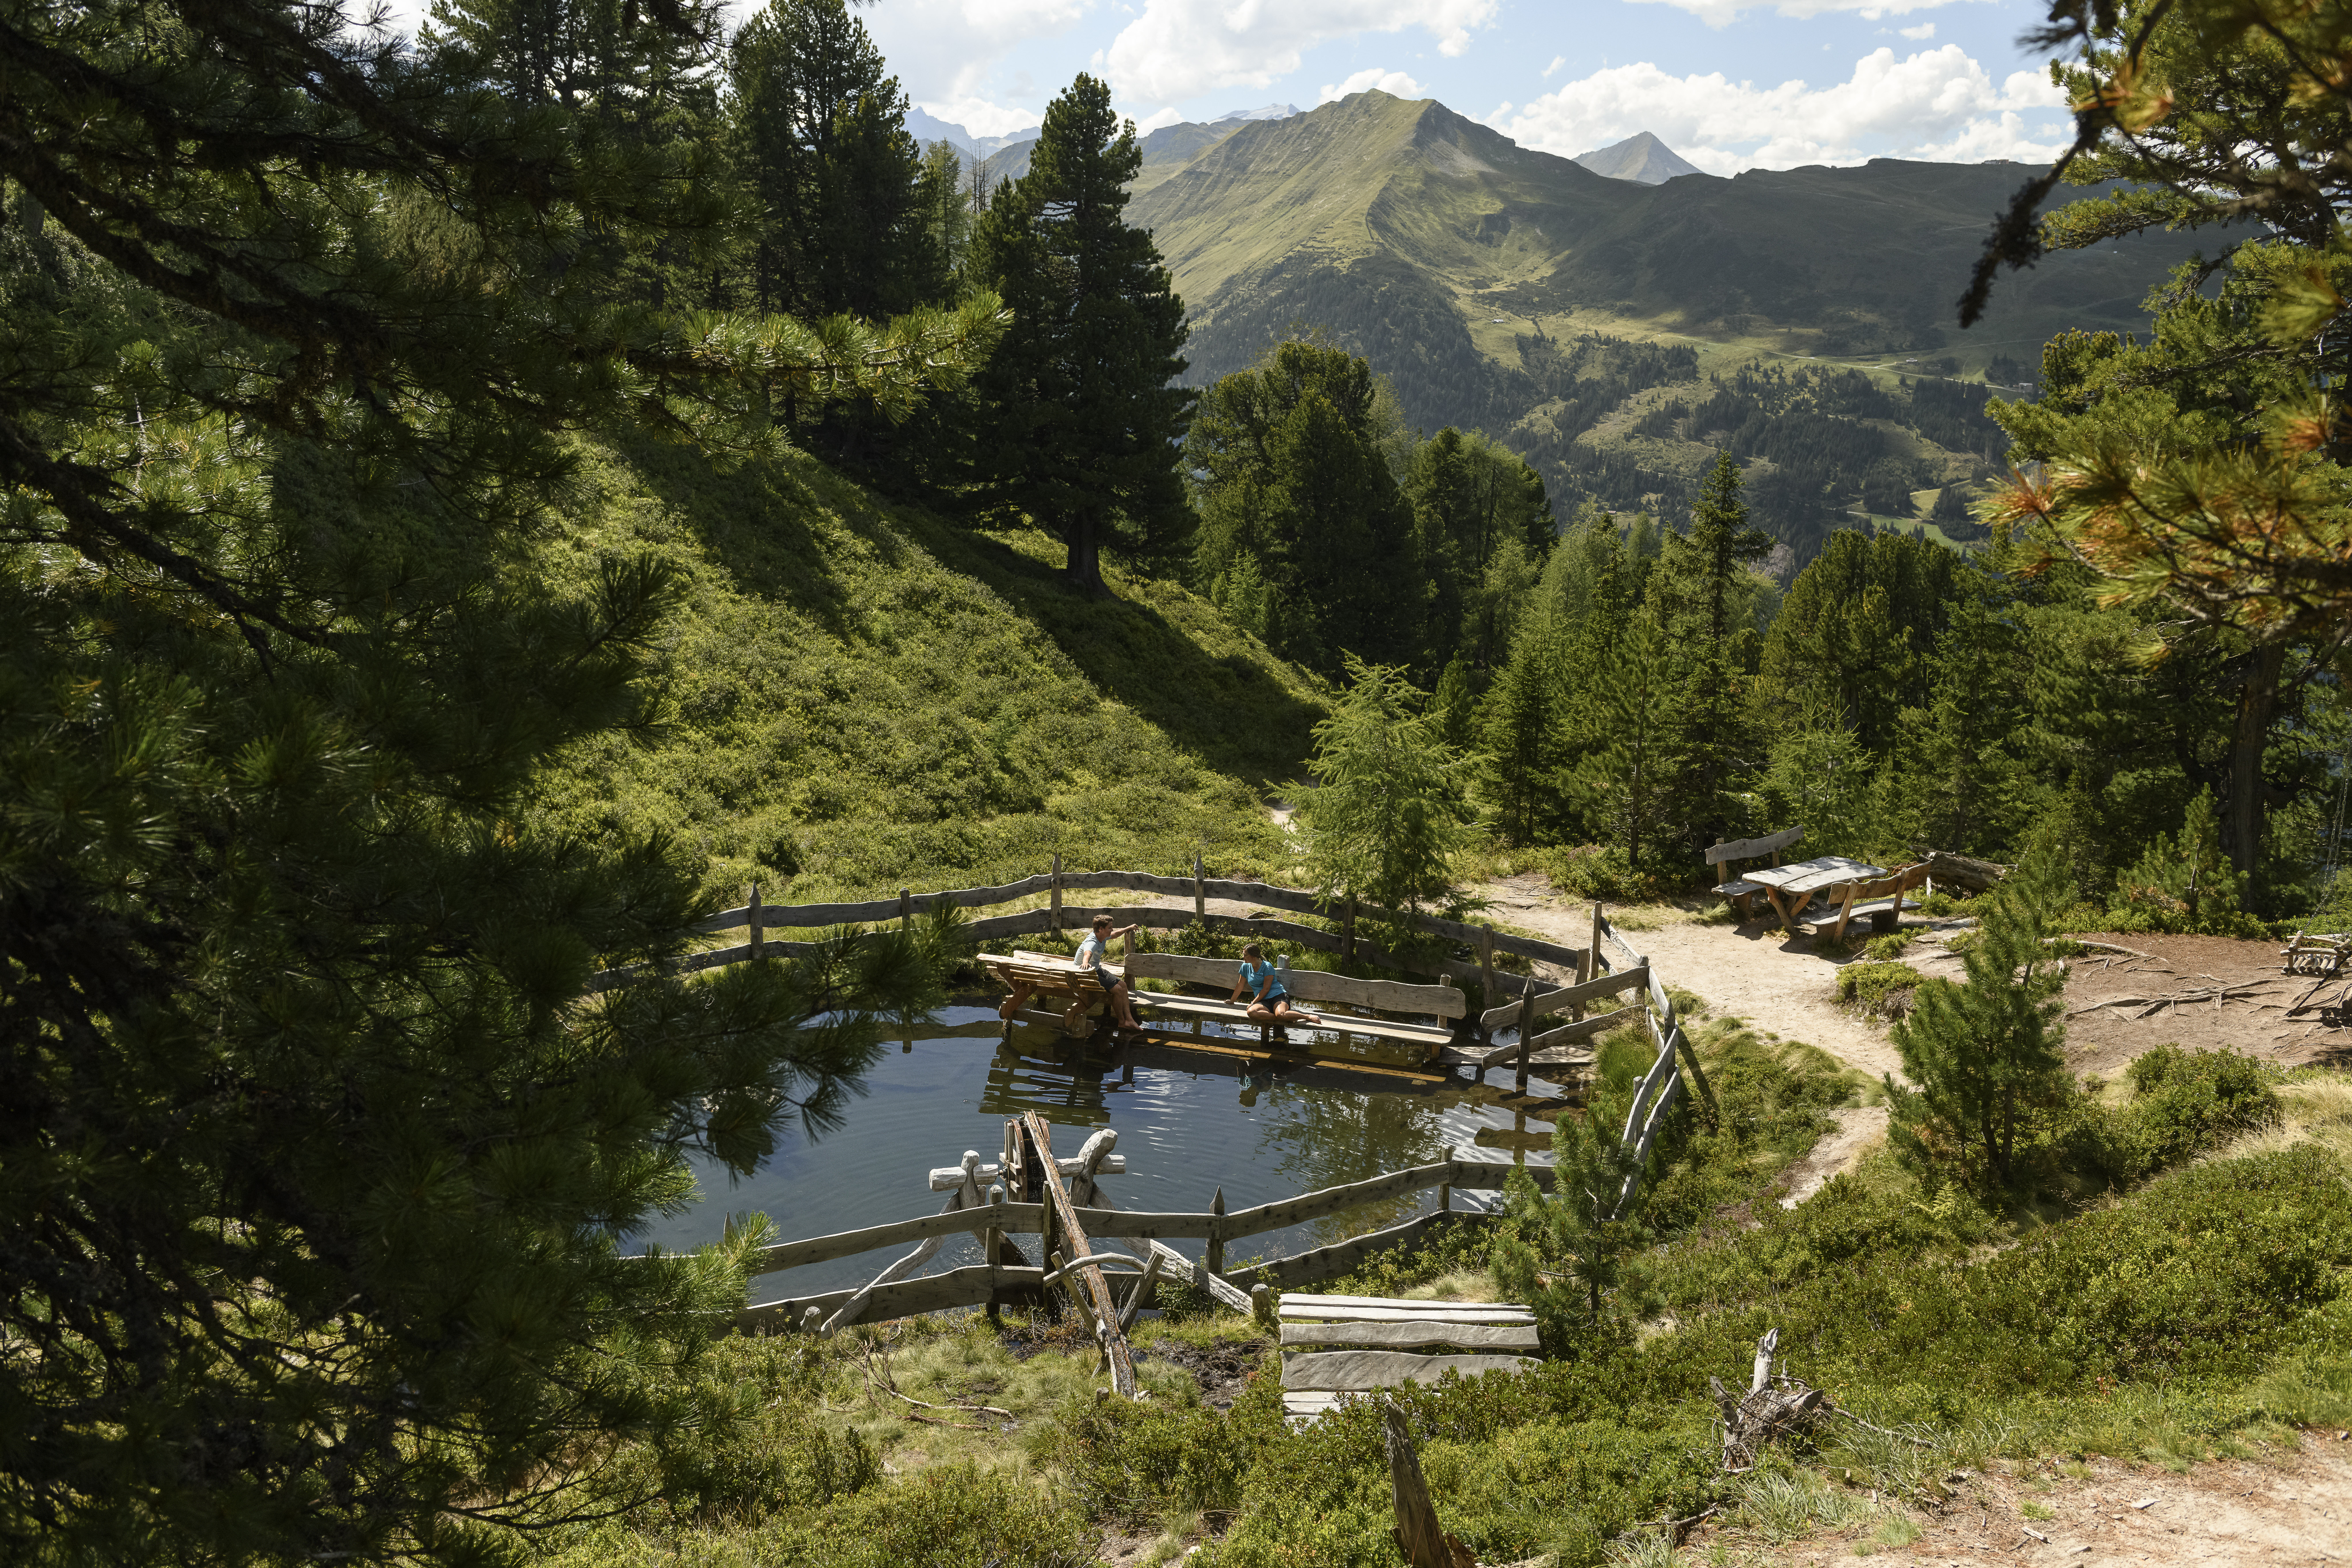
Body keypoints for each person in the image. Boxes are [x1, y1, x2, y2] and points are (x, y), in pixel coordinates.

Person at [1074, 914, 1145, 1032]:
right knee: (1117, 990)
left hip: (1096, 969)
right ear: (1101, 929)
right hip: (1085, 973)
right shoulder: (1092, 941)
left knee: (1123, 985)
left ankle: (1129, 1019)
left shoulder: (1102, 936)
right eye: (1110, 927)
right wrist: (1085, 962)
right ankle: (1122, 1022)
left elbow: (1115, 934)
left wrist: (1129, 928)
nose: (1112, 930)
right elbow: (1088, 953)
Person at [1227, 943, 1319, 1031]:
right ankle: (1283, 1018)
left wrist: (1253, 1003)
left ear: (1254, 956)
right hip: (1263, 1001)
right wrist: (1232, 1001)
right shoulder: (1245, 967)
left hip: (1278, 996)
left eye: (1246, 955)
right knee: (1251, 1012)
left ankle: (1307, 1017)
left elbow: (1266, 989)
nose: (1243, 957)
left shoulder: (1267, 966)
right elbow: (1240, 985)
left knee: (1281, 1014)